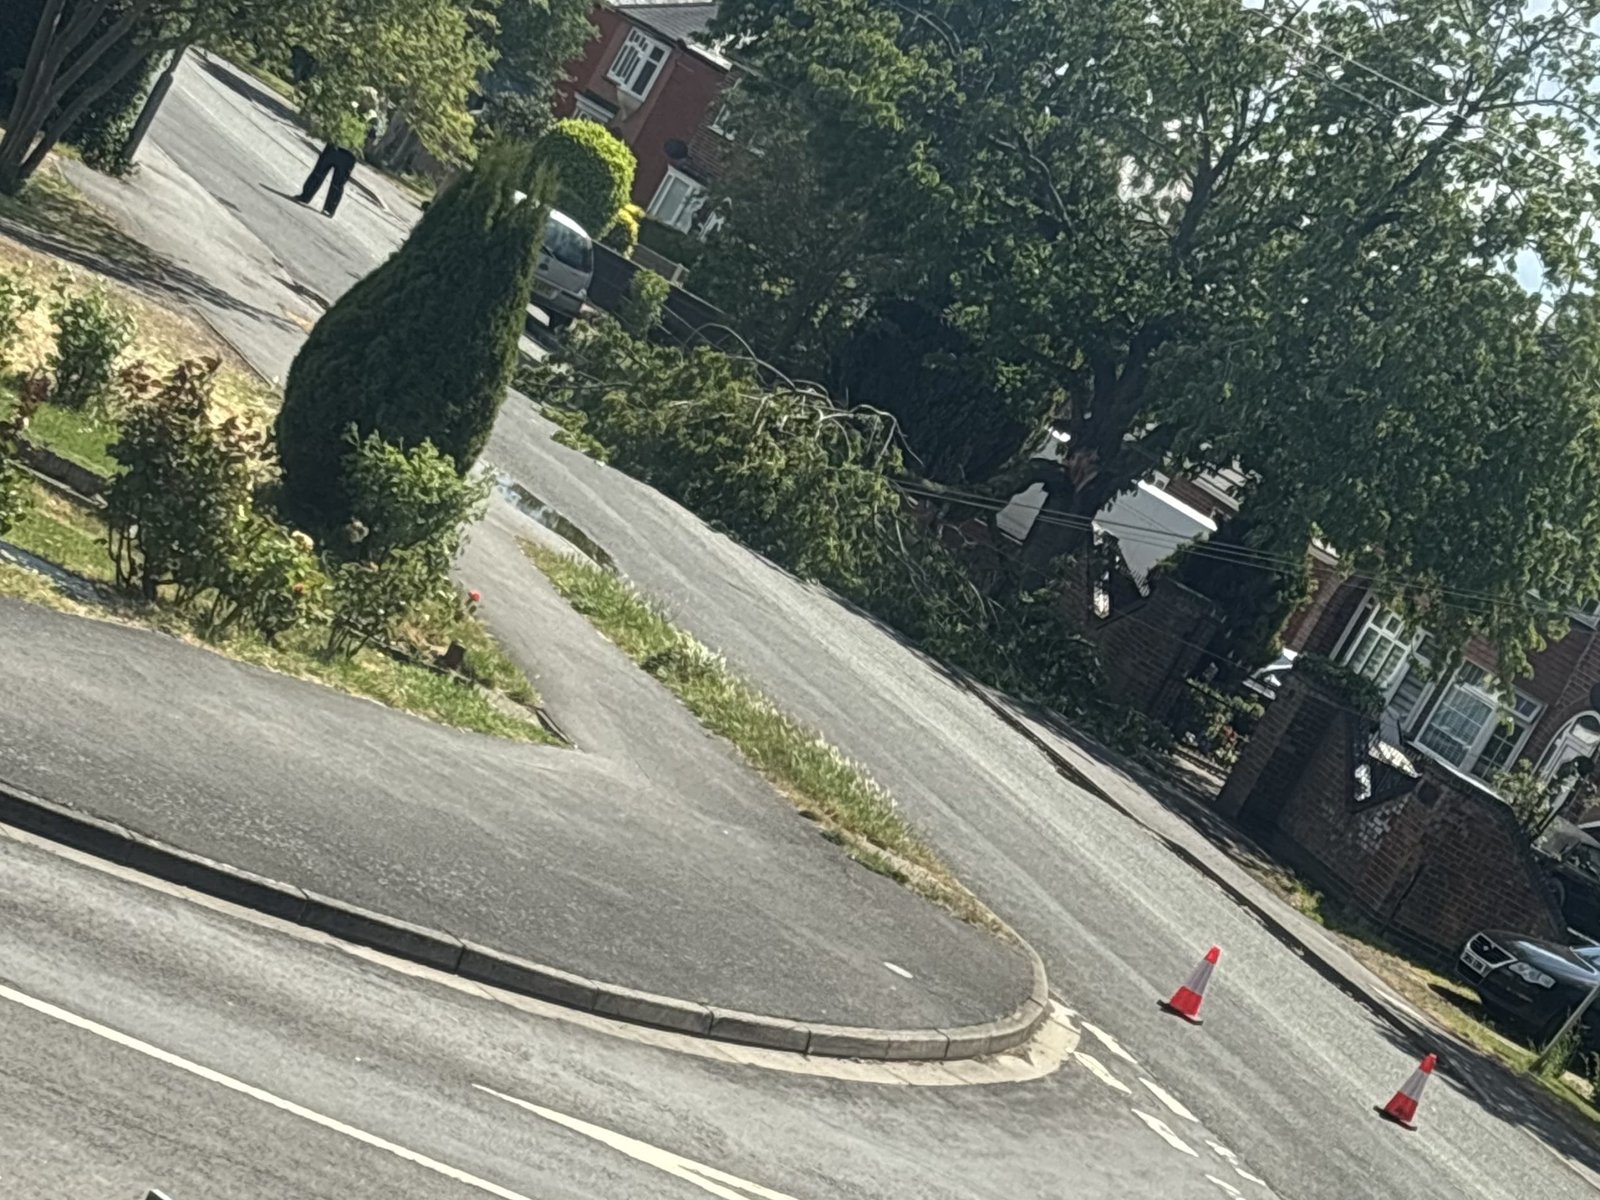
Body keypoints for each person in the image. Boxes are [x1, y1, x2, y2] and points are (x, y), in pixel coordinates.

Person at [294, 89, 380, 218]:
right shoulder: (351, 106)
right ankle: (305, 196)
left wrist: (361, 151)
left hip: (349, 153)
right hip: (334, 145)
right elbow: (337, 120)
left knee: (337, 183)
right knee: (318, 173)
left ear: (371, 102)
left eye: (366, 98)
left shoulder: (372, 118)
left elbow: (371, 138)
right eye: (362, 96)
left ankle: (329, 209)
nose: (363, 99)